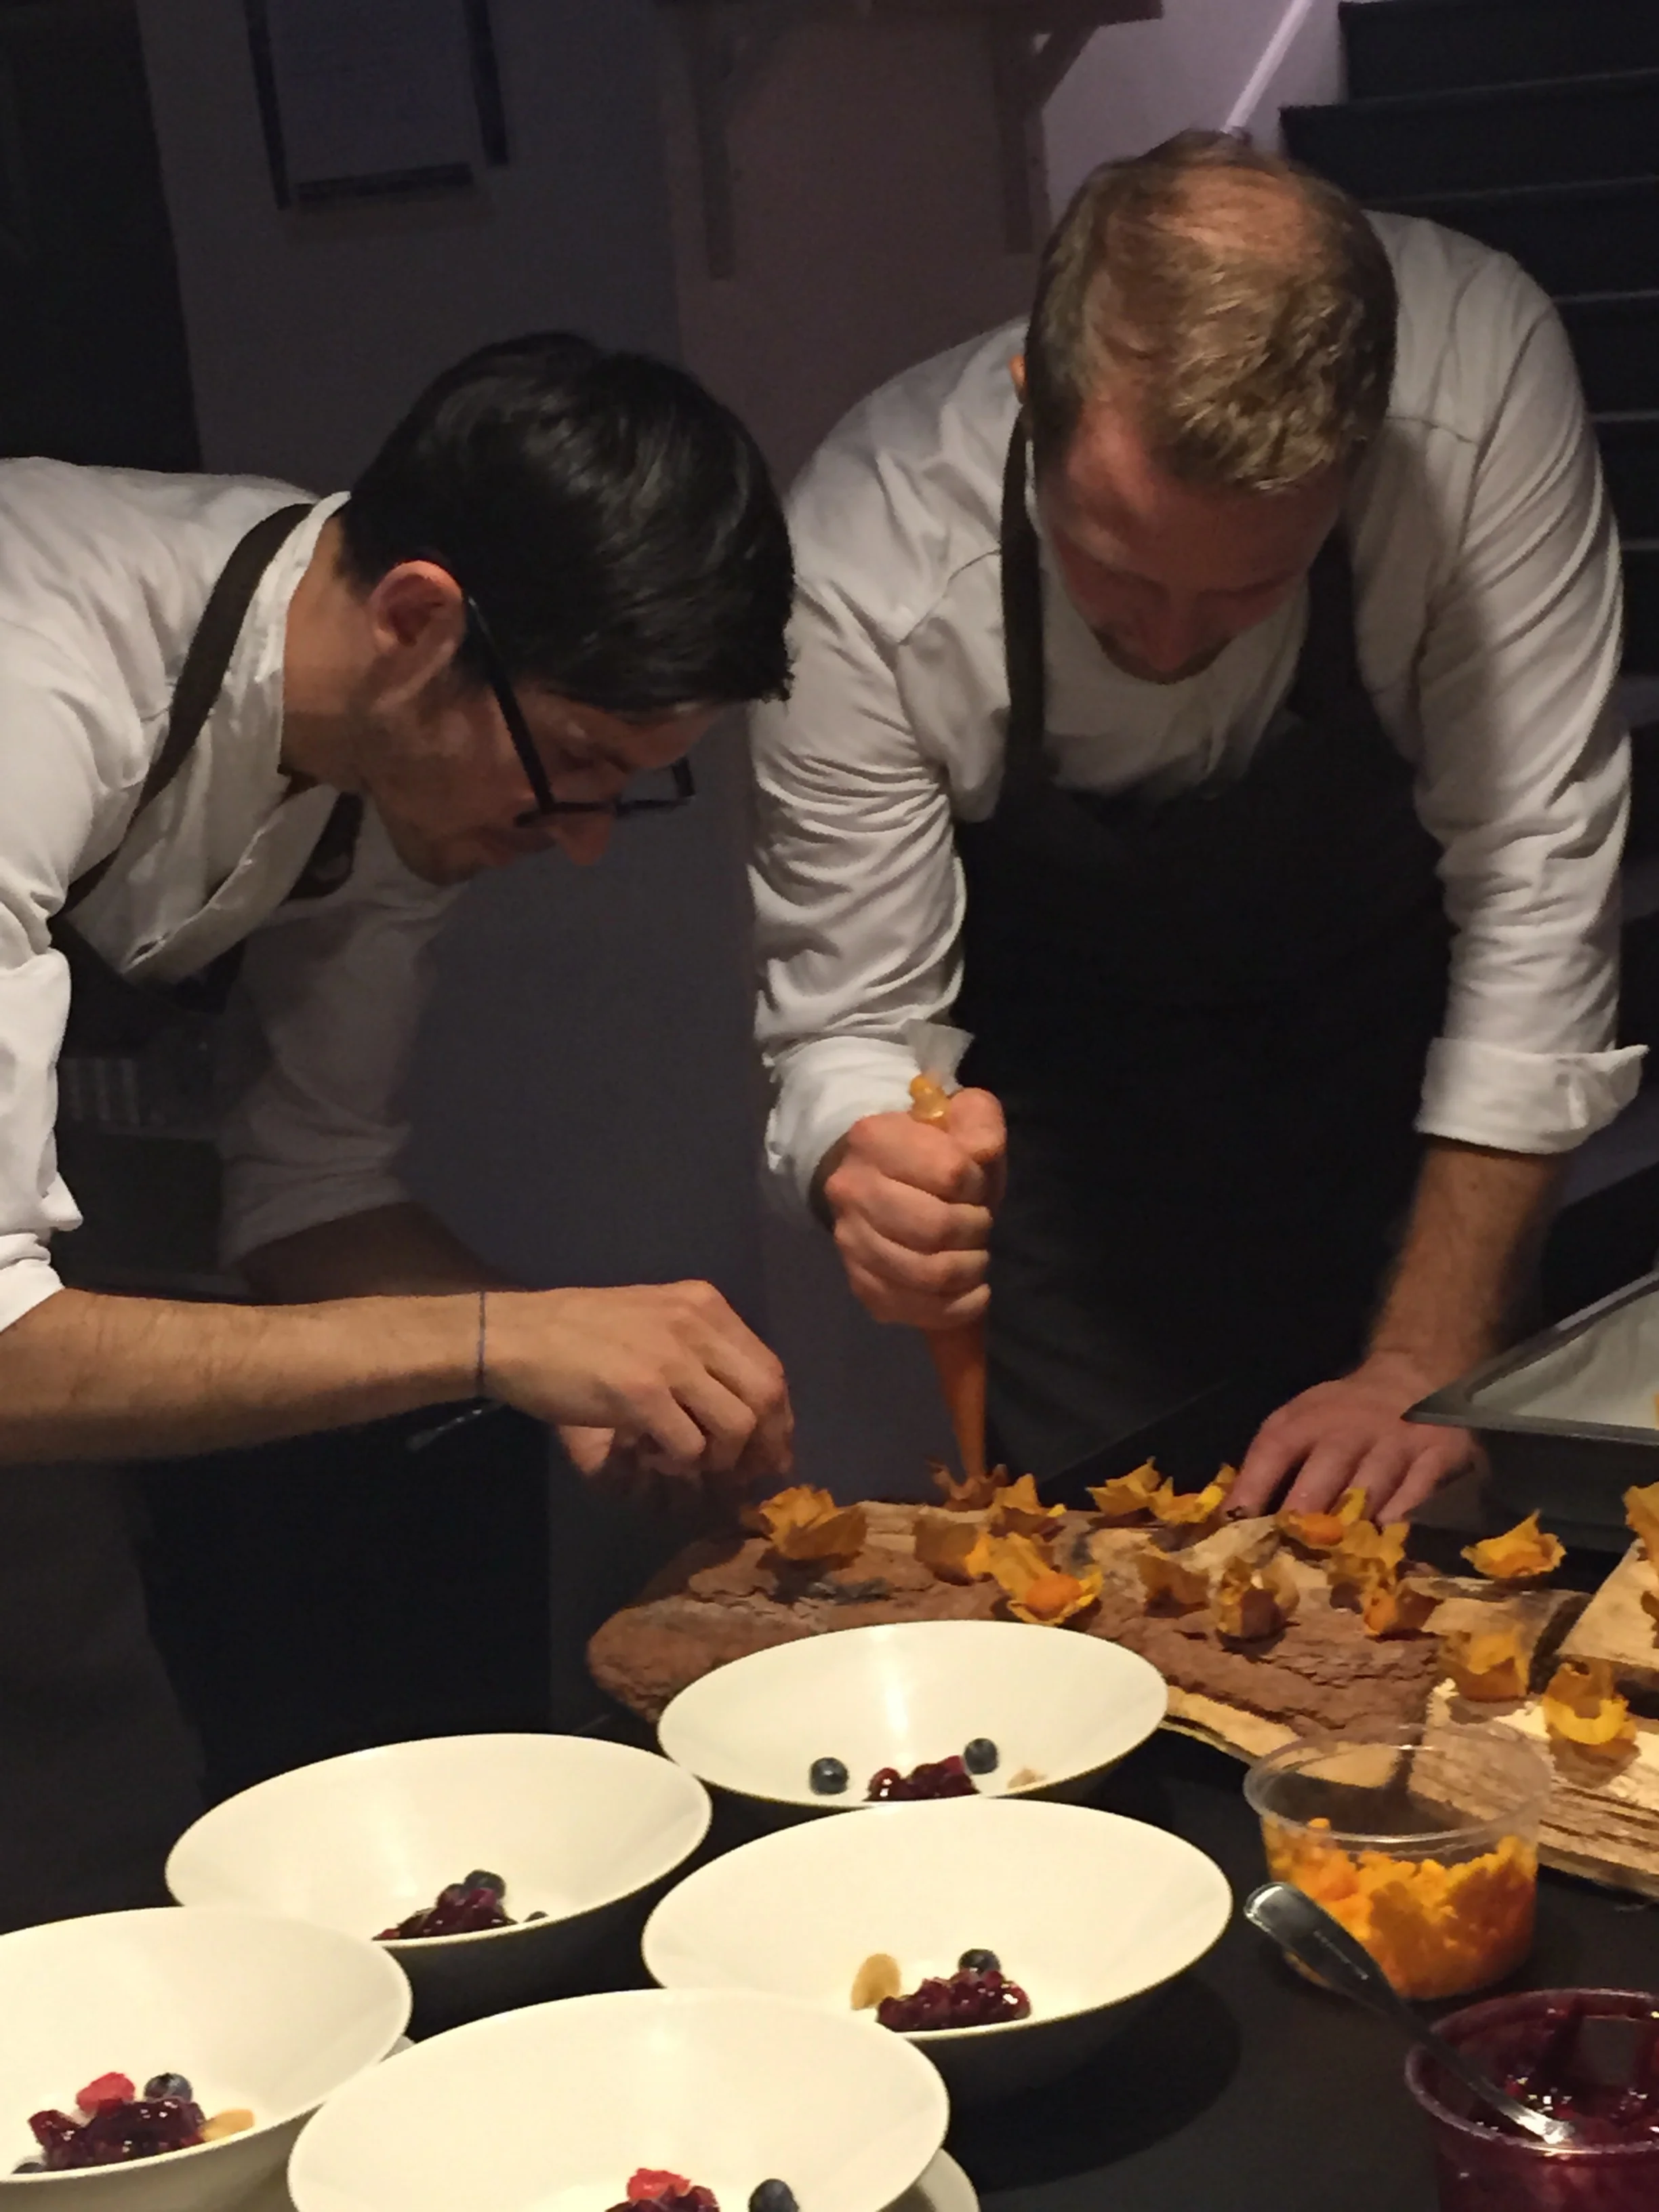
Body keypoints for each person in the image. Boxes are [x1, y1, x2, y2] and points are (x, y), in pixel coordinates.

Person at [0, 331, 796, 1928]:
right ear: (419, 620)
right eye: (571, 767)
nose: (580, 845)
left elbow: (307, 1197)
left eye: (631, 788)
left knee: (118, 1835)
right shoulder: (35, 678)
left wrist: (593, 1380)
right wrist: (499, 1341)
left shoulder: (379, 742)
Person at [752, 132, 1637, 1523]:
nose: (1169, 643)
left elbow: (1540, 882)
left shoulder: (1473, 379)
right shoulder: (864, 554)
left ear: (1361, 459)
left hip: (1388, 1061)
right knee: (1099, 1592)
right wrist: (866, 1157)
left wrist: (1421, 1354)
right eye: (1115, 570)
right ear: (1035, 398)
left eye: (1247, 591)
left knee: (1428, 1549)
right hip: (1076, 1127)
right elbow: (855, 1023)